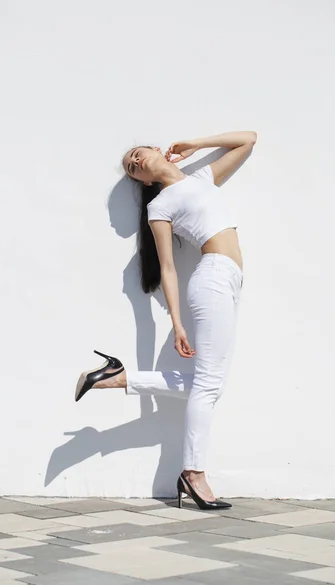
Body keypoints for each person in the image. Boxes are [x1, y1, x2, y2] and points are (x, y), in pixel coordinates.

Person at [75, 131, 257, 510]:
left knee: (208, 384)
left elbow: (248, 140)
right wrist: (177, 323)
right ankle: (193, 474)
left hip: (230, 281)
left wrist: (197, 144)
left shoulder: (202, 178)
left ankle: (117, 378)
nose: (136, 162)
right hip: (211, 279)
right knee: (208, 386)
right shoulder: (159, 208)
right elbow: (169, 269)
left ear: (158, 152)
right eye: (131, 167)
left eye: (137, 154)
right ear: (142, 181)